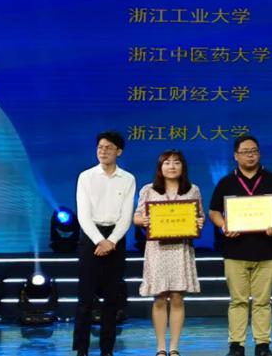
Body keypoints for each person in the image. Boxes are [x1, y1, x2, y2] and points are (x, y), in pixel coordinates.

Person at [209, 135, 272, 356]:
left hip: (267, 251)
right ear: (236, 155)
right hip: (235, 251)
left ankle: (262, 345)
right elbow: (214, 211)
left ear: (259, 153)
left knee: (263, 301)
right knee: (237, 301)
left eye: (254, 151)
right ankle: (236, 345)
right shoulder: (226, 182)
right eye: (245, 151)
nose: (250, 155)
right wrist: (224, 225)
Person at [134, 149, 204, 356]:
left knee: (177, 298)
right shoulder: (148, 190)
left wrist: (199, 222)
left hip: (180, 249)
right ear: (160, 167)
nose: (172, 166)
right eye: (167, 163)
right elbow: (136, 217)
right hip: (157, 249)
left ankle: (174, 347)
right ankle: (160, 347)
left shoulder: (193, 190)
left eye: (176, 162)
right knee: (159, 298)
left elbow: (199, 216)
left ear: (183, 167)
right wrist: (143, 220)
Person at [73, 130, 136, 356]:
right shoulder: (86, 176)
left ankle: (107, 349)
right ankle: (81, 349)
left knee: (111, 298)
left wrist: (112, 241)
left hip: (116, 238)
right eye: (100, 147)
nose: (103, 151)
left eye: (109, 148)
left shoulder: (128, 179)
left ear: (119, 151)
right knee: (85, 299)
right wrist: (100, 241)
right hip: (91, 237)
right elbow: (83, 215)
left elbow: (126, 216)